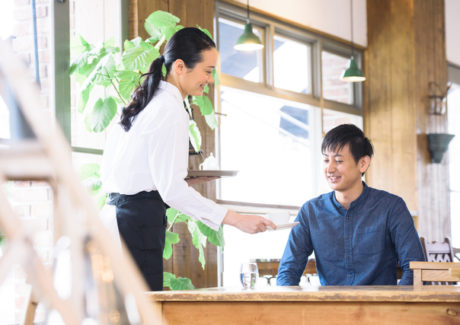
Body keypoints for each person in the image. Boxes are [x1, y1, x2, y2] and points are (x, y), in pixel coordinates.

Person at [101, 27, 275, 291]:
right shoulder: (171, 109)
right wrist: (236, 219)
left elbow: (128, 172)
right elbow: (171, 191)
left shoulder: (144, 102)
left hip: (115, 221)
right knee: (142, 315)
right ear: (180, 67)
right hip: (137, 225)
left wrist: (182, 182)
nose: (211, 79)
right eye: (207, 70)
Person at [277, 124, 425, 286]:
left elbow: (415, 270)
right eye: (326, 160)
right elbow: (288, 271)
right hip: (330, 308)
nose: (330, 168)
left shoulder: (391, 207)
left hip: (381, 308)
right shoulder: (310, 211)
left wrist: (397, 306)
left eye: (339, 160)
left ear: (363, 164)